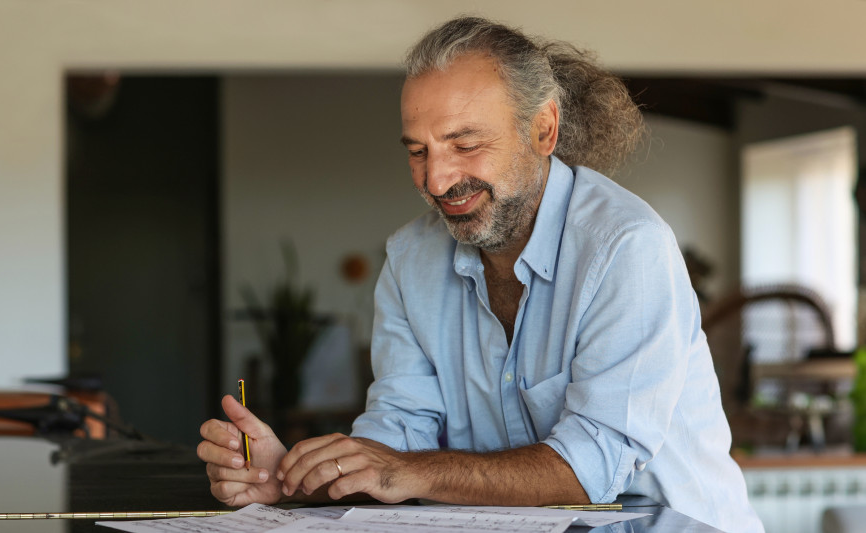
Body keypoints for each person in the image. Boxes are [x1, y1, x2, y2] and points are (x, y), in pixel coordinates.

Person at [198, 16, 763, 533]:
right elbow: (398, 434)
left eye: (465, 144)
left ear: (543, 130)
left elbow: (593, 464)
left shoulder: (626, 248)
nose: (438, 180)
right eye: (418, 151)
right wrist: (297, 479)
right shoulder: (409, 260)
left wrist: (411, 473)